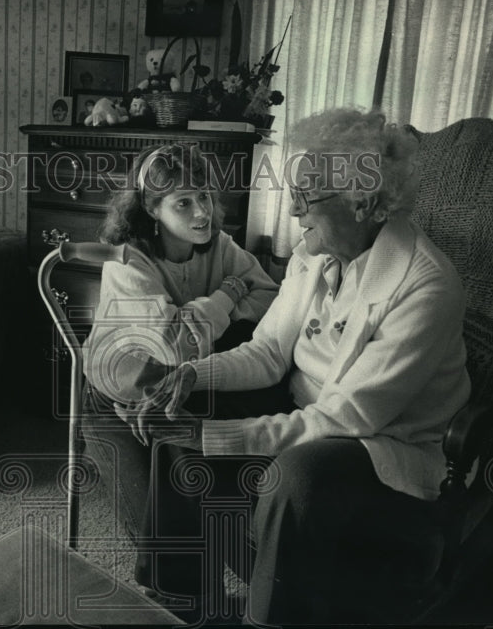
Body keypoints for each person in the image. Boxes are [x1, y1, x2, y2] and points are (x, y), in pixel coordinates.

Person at [125, 108, 472, 623]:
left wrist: (213, 437)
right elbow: (267, 352)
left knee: (298, 474)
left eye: (307, 197)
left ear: (365, 204)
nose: (293, 212)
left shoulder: (426, 284)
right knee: (185, 404)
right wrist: (192, 374)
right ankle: (178, 598)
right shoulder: (315, 254)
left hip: (384, 446)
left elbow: (347, 420)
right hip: (306, 410)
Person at [81, 142, 280, 613]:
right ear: (151, 209)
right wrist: (227, 297)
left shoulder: (222, 247)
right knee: (161, 523)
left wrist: (208, 313)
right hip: (116, 396)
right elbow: (170, 345)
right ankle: (186, 602)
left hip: (183, 389)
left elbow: (271, 296)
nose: (201, 212)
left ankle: (201, 595)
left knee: (190, 490)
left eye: (205, 197)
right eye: (182, 202)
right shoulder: (128, 262)